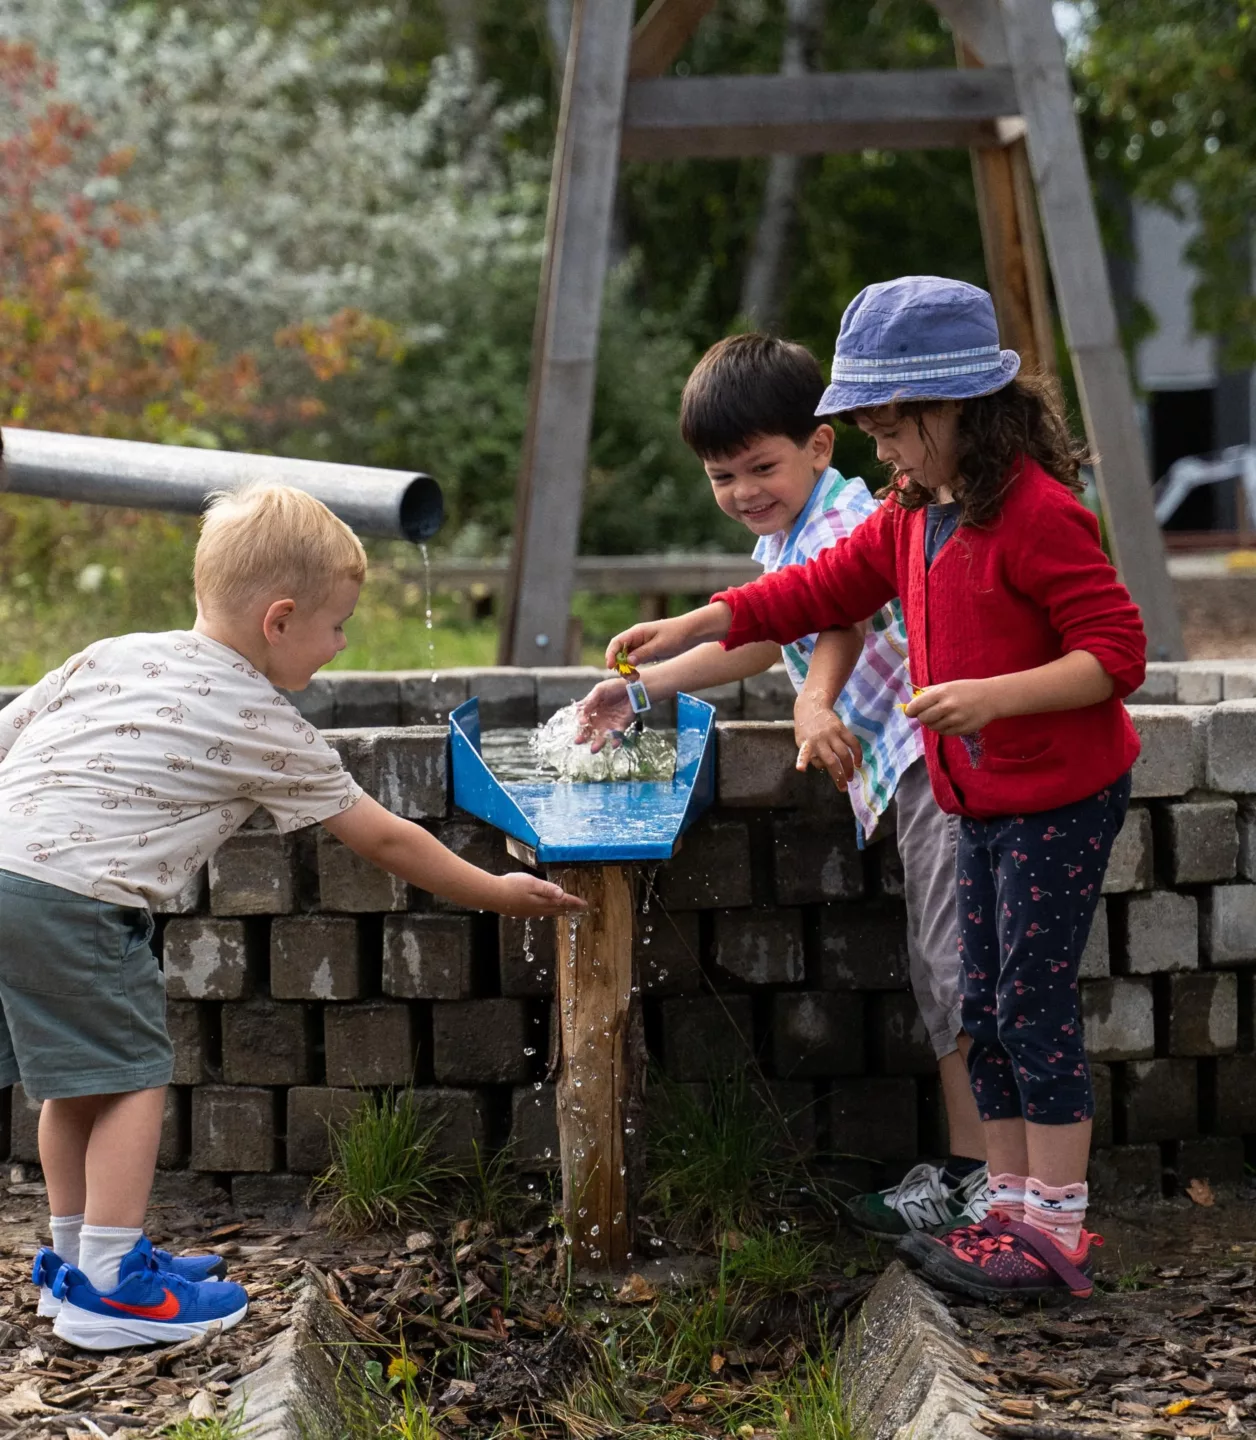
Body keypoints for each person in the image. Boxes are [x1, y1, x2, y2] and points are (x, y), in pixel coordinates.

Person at [599, 277, 1146, 1301]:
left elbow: (1115, 656)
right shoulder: (909, 513)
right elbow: (814, 590)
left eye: (893, 432)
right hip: (976, 794)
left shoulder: (1036, 514)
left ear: (958, 413)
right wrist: (696, 625)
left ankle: (1056, 1231)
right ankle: (1006, 1206)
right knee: (980, 999)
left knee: (1027, 1002)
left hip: (1054, 795)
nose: (879, 454)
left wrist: (996, 699)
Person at [0, 473, 584, 1350]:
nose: (342, 644)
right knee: (130, 1078)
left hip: (7, 873)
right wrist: (498, 890)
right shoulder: (260, 719)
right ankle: (113, 1290)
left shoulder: (115, 651)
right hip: (79, 899)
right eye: (337, 625)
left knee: (75, 1080)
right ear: (278, 621)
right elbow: (385, 841)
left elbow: (12, 732)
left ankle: (78, 1258)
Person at [575, 332, 990, 1241]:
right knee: (942, 963)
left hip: (937, 761)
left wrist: (813, 704)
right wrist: (643, 686)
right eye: (722, 478)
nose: (743, 492)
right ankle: (978, 1169)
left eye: (760, 466)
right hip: (911, 770)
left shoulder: (846, 522)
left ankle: (987, 1177)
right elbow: (763, 632)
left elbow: (836, 615)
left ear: (820, 446)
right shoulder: (792, 537)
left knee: (959, 967)